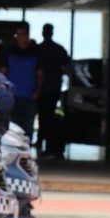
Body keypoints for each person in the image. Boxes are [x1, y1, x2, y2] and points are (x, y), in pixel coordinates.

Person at [2, 23, 43, 144]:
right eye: (18, 35)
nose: (20, 37)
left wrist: (38, 91)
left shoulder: (35, 52)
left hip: (29, 97)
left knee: (28, 128)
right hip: (12, 96)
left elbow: (40, 74)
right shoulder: (9, 51)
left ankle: (26, 154)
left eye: (23, 35)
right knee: (11, 128)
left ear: (27, 36)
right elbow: (2, 73)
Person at [37, 23, 70, 158]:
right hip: (52, 88)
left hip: (43, 89)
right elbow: (68, 67)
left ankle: (43, 142)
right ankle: (46, 143)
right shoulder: (59, 49)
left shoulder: (39, 49)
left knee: (44, 117)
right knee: (49, 117)